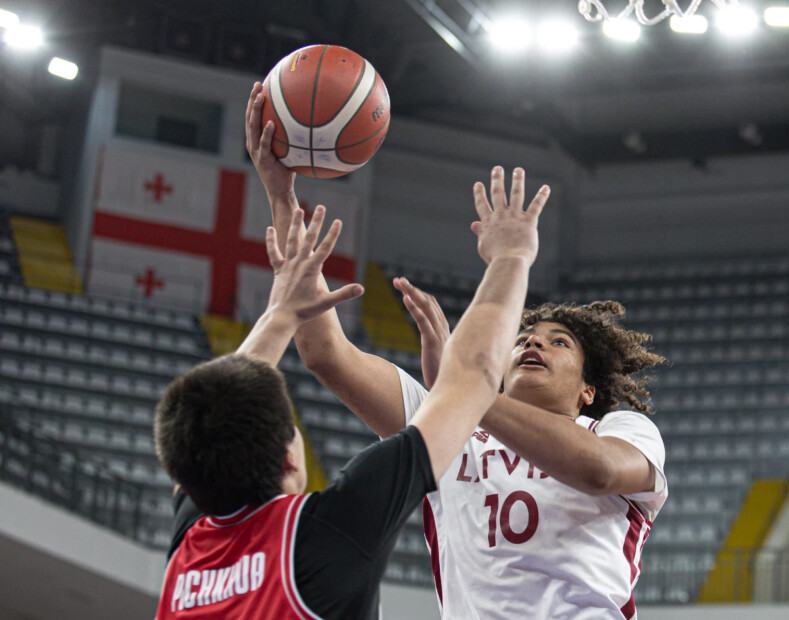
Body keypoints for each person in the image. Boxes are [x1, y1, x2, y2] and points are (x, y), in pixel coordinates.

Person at [245, 84, 668, 618]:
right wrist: (281, 196)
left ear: (589, 390)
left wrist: (467, 387)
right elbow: (324, 350)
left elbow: (600, 472)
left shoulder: (621, 430)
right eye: (521, 340)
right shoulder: (449, 426)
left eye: (559, 343)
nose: (534, 341)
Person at [153, 104, 549, 617]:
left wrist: (281, 300)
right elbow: (472, 377)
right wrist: (512, 255)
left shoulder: (191, 552)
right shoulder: (326, 536)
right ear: (290, 459)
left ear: (183, 473)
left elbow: (218, 409)